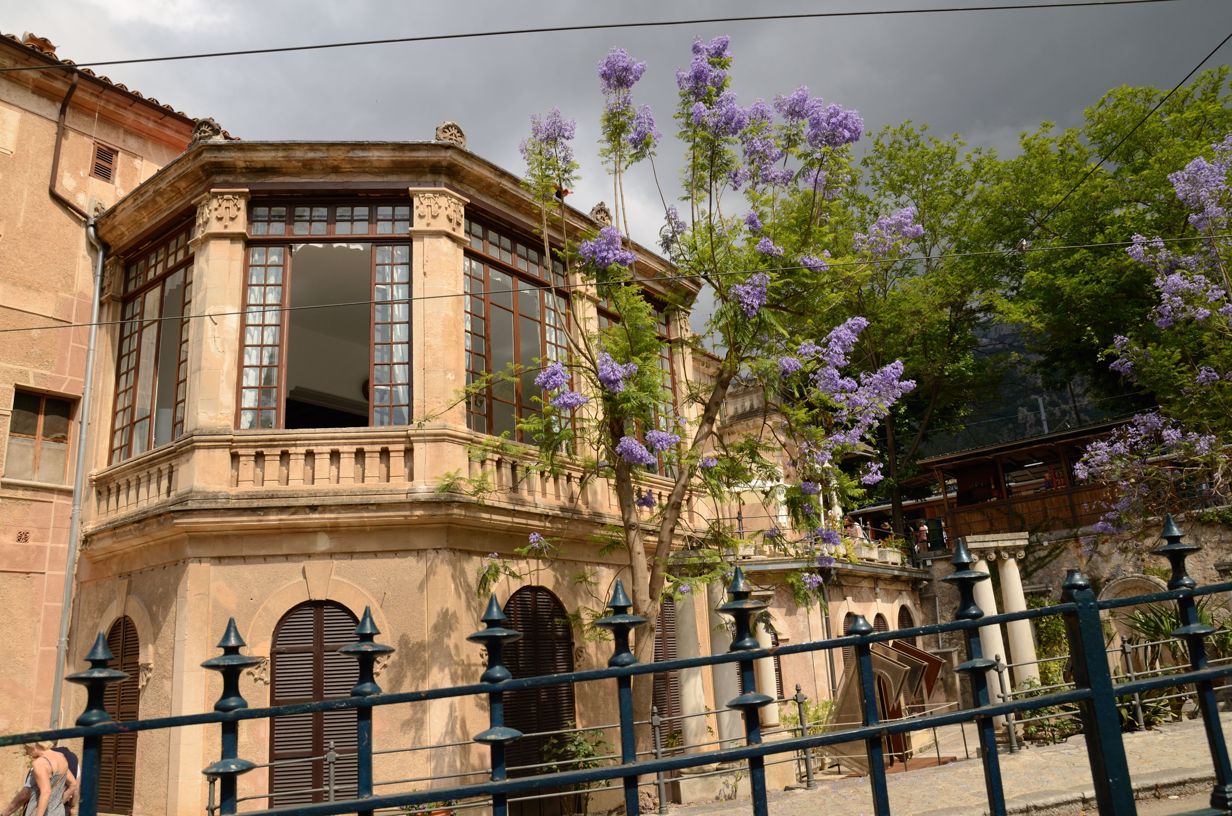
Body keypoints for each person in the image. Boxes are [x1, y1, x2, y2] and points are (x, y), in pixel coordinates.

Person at [2, 742, 76, 816]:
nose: (26, 752)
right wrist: (57, 804)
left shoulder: (39, 763)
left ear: (32, 745)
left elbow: (46, 792)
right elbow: (73, 784)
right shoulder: (60, 756)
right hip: (59, 813)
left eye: (26, 748)